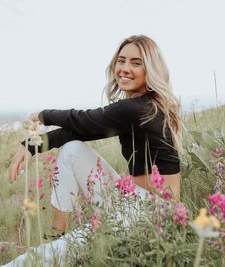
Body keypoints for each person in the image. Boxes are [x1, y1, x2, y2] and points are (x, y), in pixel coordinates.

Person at [5, 35, 182, 266]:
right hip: (133, 202)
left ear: (151, 68)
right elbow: (78, 132)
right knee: (72, 149)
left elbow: (83, 120)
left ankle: (56, 246)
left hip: (151, 215)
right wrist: (31, 145)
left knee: (32, 261)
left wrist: (42, 115)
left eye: (136, 63)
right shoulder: (144, 107)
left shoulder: (137, 108)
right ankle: (58, 233)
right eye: (121, 60)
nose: (125, 68)